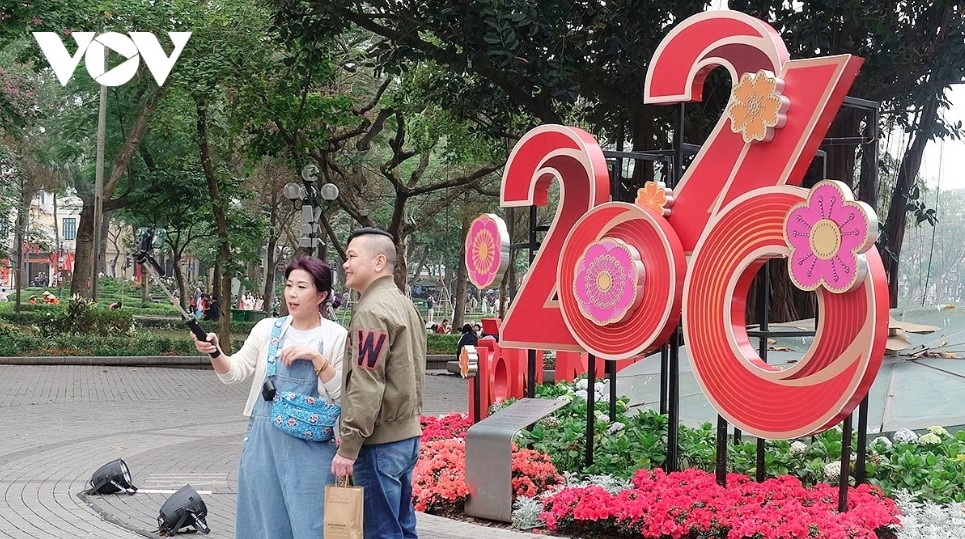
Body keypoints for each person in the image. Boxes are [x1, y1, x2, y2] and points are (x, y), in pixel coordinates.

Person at [192, 256, 347, 538]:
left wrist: (316, 359)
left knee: (312, 525)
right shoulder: (267, 329)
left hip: (312, 450)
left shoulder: (337, 336)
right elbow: (234, 372)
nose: (292, 294)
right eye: (289, 285)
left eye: (302, 287)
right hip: (263, 444)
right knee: (264, 524)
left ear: (321, 294)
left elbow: (342, 395)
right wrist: (215, 352)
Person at [332, 228, 425, 539]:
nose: (345, 264)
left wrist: (349, 446)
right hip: (406, 438)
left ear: (379, 261)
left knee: (381, 533)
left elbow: (366, 383)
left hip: (379, 443)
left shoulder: (372, 311)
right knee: (402, 528)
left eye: (352, 257)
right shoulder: (404, 304)